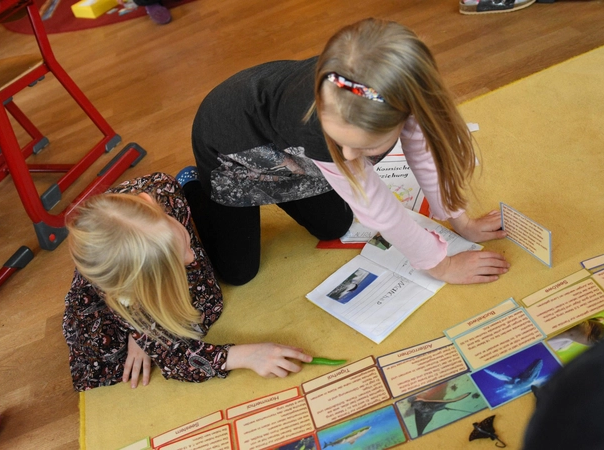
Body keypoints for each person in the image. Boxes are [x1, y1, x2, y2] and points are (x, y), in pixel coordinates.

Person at [180, 18, 510, 286]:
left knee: (334, 225)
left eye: (366, 146)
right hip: (230, 151)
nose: (351, 155)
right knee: (239, 273)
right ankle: (194, 189)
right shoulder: (324, 121)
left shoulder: (394, 98)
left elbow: (425, 156)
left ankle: (287, 175)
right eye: (343, 141)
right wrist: (440, 265)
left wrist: (460, 220)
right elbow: (378, 209)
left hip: (291, 153)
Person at [62, 173, 312, 391]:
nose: (192, 256)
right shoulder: (126, 290)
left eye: (182, 237)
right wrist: (138, 329)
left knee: (203, 303)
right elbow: (176, 358)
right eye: (177, 259)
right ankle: (134, 324)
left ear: (152, 204)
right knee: (134, 349)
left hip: (132, 265)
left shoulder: (162, 191)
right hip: (119, 295)